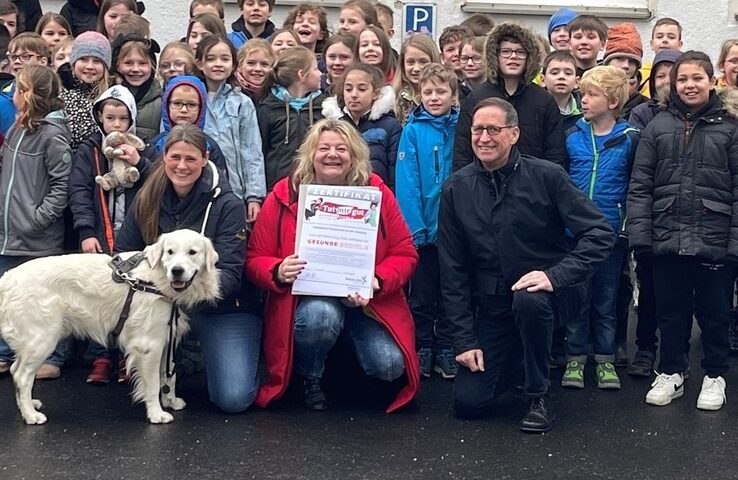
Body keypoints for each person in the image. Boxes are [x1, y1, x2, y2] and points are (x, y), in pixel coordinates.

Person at [439, 97, 614, 433]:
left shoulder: (547, 176)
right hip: (494, 307)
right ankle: (520, 360)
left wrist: (555, 276)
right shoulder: (456, 188)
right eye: (478, 130)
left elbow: (599, 233)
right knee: (468, 404)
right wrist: (464, 340)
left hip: (553, 295)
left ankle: (538, 395)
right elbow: (453, 270)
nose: (484, 138)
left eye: (494, 129)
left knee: (530, 300)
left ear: (515, 134)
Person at [245, 118, 419, 412]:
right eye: (323, 148)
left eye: (342, 148)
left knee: (389, 366)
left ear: (354, 155)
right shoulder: (284, 194)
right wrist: (277, 270)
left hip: (366, 303)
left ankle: (341, 365)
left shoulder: (377, 192)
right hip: (308, 302)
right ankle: (309, 376)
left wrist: (377, 280)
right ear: (310, 154)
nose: (332, 154)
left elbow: (405, 252)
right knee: (321, 318)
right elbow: (254, 258)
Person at [115, 123, 263, 414]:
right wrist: (159, 289)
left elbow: (231, 275)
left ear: (205, 159)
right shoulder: (146, 196)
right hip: (160, 303)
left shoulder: (228, 204)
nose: (182, 166)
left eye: (191, 159)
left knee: (233, 399)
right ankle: (172, 364)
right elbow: (123, 255)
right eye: (175, 157)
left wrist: (174, 291)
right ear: (164, 157)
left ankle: (194, 355)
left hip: (222, 307)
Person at [628, 51, 738, 411]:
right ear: (672, 85)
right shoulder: (658, 126)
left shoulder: (731, 127)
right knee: (671, 312)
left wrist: (734, 242)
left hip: (715, 239)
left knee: (715, 312)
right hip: (667, 235)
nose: (690, 85)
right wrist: (641, 238)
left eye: (697, 78)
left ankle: (714, 375)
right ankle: (671, 371)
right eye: (682, 79)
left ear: (713, 81)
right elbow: (641, 185)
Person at [68, 85, 157, 384]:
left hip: (134, 236)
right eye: (109, 118)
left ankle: (126, 359)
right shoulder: (89, 149)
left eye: (122, 118)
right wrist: (85, 230)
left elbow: (156, 185)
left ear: (131, 119)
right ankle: (101, 356)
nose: (116, 124)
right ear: (100, 118)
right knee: (100, 296)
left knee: (131, 298)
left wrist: (139, 163)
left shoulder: (144, 147)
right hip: (99, 235)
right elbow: (79, 191)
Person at [562, 66, 639, 390]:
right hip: (576, 235)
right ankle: (576, 359)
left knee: (605, 300)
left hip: (610, 234)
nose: (584, 100)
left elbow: (636, 185)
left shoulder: (630, 139)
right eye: (583, 94)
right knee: (576, 299)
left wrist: (625, 226)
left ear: (612, 100)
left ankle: (605, 359)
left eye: (591, 95)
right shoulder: (573, 137)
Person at [0, 65, 73, 380]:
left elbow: (62, 187)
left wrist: (36, 220)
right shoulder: (17, 130)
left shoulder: (52, 136)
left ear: (29, 96)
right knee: (8, 299)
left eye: (18, 89)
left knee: (45, 302)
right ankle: (6, 352)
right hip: (8, 235)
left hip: (36, 239)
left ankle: (54, 356)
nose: (13, 95)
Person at [396, 63, 459, 379]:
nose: (434, 98)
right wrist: (415, 228)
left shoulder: (462, 127)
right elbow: (407, 183)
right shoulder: (413, 130)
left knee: (451, 294)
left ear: (453, 94)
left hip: (455, 232)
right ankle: (422, 346)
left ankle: (446, 347)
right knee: (421, 295)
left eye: (441, 91)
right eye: (428, 92)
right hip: (424, 231)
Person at [453, 23, 566, 171]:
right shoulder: (477, 98)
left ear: (529, 57)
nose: (513, 57)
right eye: (506, 51)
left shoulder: (543, 100)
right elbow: (463, 151)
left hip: (532, 186)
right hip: (486, 183)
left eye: (520, 52)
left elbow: (555, 153)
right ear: (495, 55)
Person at [196, 34, 265, 221]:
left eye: (225, 59)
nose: (218, 64)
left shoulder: (242, 102)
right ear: (199, 64)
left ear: (234, 65)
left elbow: (252, 151)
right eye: (211, 59)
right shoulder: (190, 98)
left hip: (234, 190)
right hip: (196, 188)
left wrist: (254, 196)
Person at [322, 63, 401, 189]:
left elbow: (395, 171)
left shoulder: (390, 126)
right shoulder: (333, 126)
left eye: (362, 89)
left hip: (377, 195)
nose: (354, 95)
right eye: (348, 89)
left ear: (375, 93)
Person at [257, 46, 324, 190]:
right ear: (302, 75)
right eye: (315, 69)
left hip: (316, 186)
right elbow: (261, 150)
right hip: (277, 186)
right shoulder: (269, 107)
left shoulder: (325, 106)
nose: (320, 73)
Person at [150, 74, 228, 173]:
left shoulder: (209, 146)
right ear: (167, 105)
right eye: (177, 103)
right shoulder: (155, 144)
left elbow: (220, 181)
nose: (183, 110)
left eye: (191, 105)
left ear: (201, 108)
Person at [59, 31, 112, 151]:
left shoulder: (110, 96)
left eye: (97, 61)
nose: (90, 66)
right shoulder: (60, 94)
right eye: (83, 59)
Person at [111, 33, 162, 142]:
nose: (135, 69)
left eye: (142, 63)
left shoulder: (160, 99)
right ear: (118, 65)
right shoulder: (109, 95)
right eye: (128, 63)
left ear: (152, 66)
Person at [0, 32, 49, 135]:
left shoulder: (53, 96)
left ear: (43, 61)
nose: (17, 61)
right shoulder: (3, 99)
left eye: (25, 56)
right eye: (13, 57)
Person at [602, 22, 648, 119]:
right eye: (620, 59)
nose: (626, 66)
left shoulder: (646, 107)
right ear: (607, 62)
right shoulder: (590, 96)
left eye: (631, 61)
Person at [393, 34, 440, 125]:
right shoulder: (392, 99)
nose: (416, 68)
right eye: (410, 62)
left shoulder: (444, 97)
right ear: (403, 64)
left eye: (423, 62)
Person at [541, 50, 582, 133]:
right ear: (543, 80)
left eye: (568, 73)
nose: (561, 77)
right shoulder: (536, 109)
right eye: (555, 73)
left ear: (577, 82)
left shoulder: (584, 109)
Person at [640, 18, 683, 97]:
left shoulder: (685, 72)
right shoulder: (641, 75)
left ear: (680, 45)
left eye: (671, 37)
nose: (665, 40)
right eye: (659, 37)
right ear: (652, 44)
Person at [236, 38, 275, 103]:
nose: (258, 69)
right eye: (251, 63)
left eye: (264, 64)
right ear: (240, 65)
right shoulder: (230, 92)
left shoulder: (277, 95)